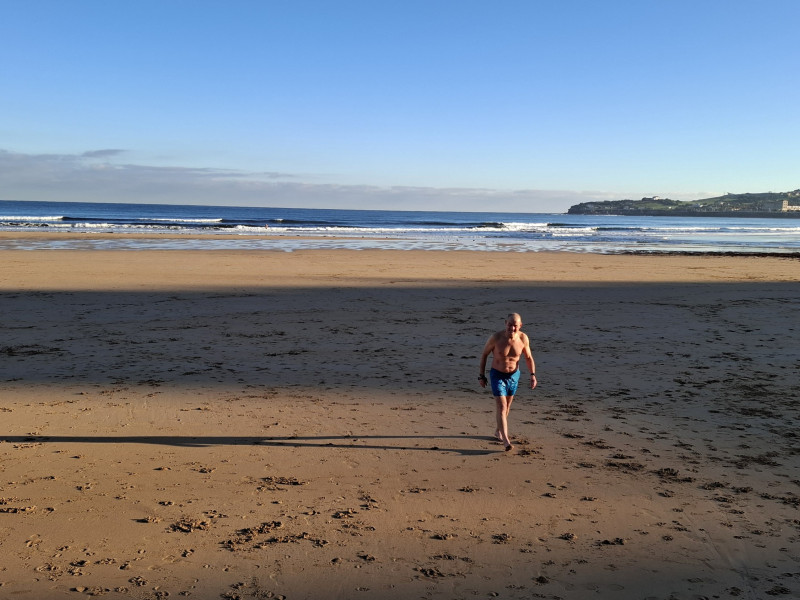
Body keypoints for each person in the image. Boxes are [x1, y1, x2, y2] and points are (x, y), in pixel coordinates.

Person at [478, 313, 536, 451]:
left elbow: (528, 358)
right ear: (505, 323)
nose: (512, 328)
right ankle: (506, 441)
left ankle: (498, 431)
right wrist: (481, 375)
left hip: (514, 376)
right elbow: (484, 355)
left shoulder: (523, 338)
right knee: (502, 407)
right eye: (510, 324)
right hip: (497, 375)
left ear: (520, 325)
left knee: (507, 407)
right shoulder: (495, 338)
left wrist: (532, 375)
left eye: (515, 325)